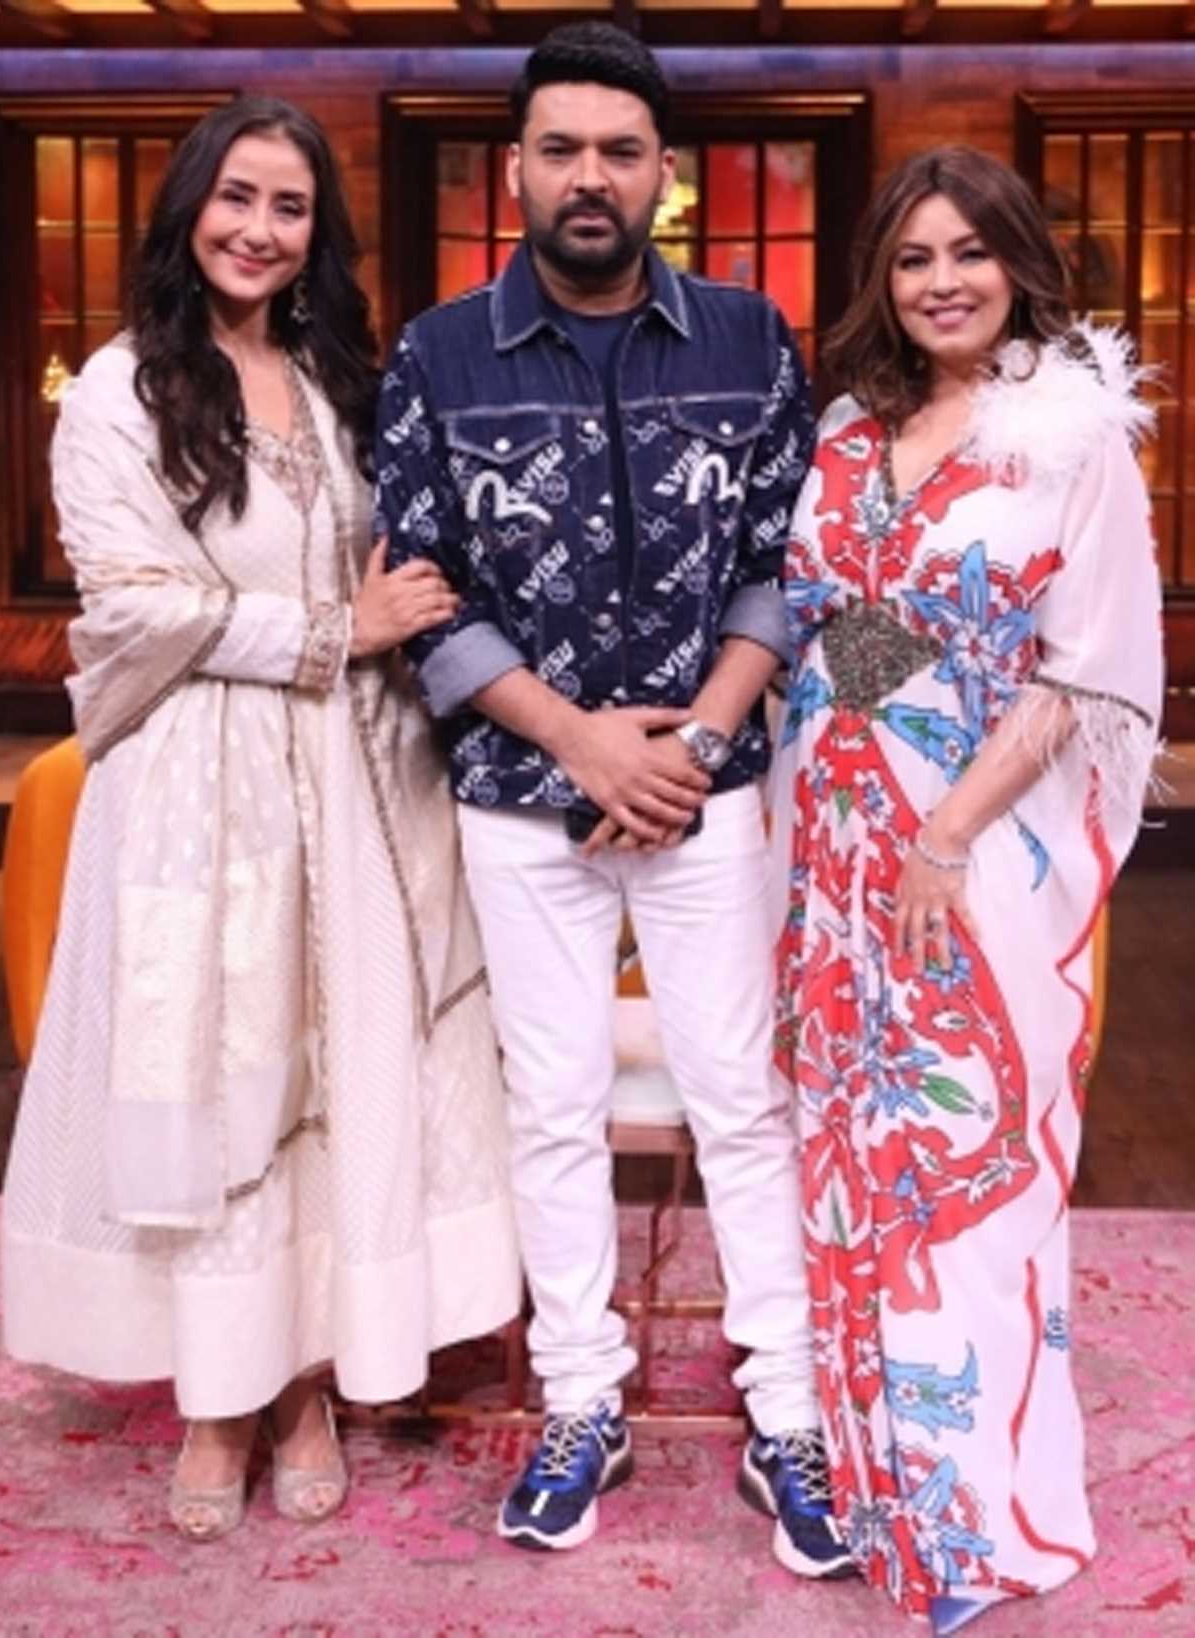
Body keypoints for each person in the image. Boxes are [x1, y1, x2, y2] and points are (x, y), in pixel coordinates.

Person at [0, 96, 520, 1541]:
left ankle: (305, 1386)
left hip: (356, 783)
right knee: (222, 1080)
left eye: (290, 208)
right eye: (237, 197)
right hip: (199, 793)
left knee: (335, 1075)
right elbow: (131, 605)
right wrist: (338, 627)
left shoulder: (338, 376)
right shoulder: (120, 389)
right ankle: (217, 1403)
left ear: (317, 234)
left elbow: (407, 559)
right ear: (189, 207)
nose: (259, 229)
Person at [375, 21, 850, 1577]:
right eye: (562, 148)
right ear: (516, 166)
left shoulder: (750, 338)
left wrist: (694, 742)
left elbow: (784, 565)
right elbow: (423, 594)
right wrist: (583, 742)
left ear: (665, 173)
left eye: (621, 151)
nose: (591, 176)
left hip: (709, 790)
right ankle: (584, 1398)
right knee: (555, 1103)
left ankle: (786, 1406)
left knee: (742, 1097)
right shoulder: (439, 354)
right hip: (525, 795)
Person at [770, 145, 1163, 1633]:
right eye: (914, 257)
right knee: (855, 1165)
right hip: (839, 848)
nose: (943, 282)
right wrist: (879, 763)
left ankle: (983, 1517)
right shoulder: (853, 430)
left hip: (983, 860)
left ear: (1020, 264)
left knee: (966, 1168)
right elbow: (851, 624)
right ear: (882, 277)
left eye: (970, 252)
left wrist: (946, 821)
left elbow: (1082, 669)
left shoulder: (1070, 435)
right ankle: (881, 1492)